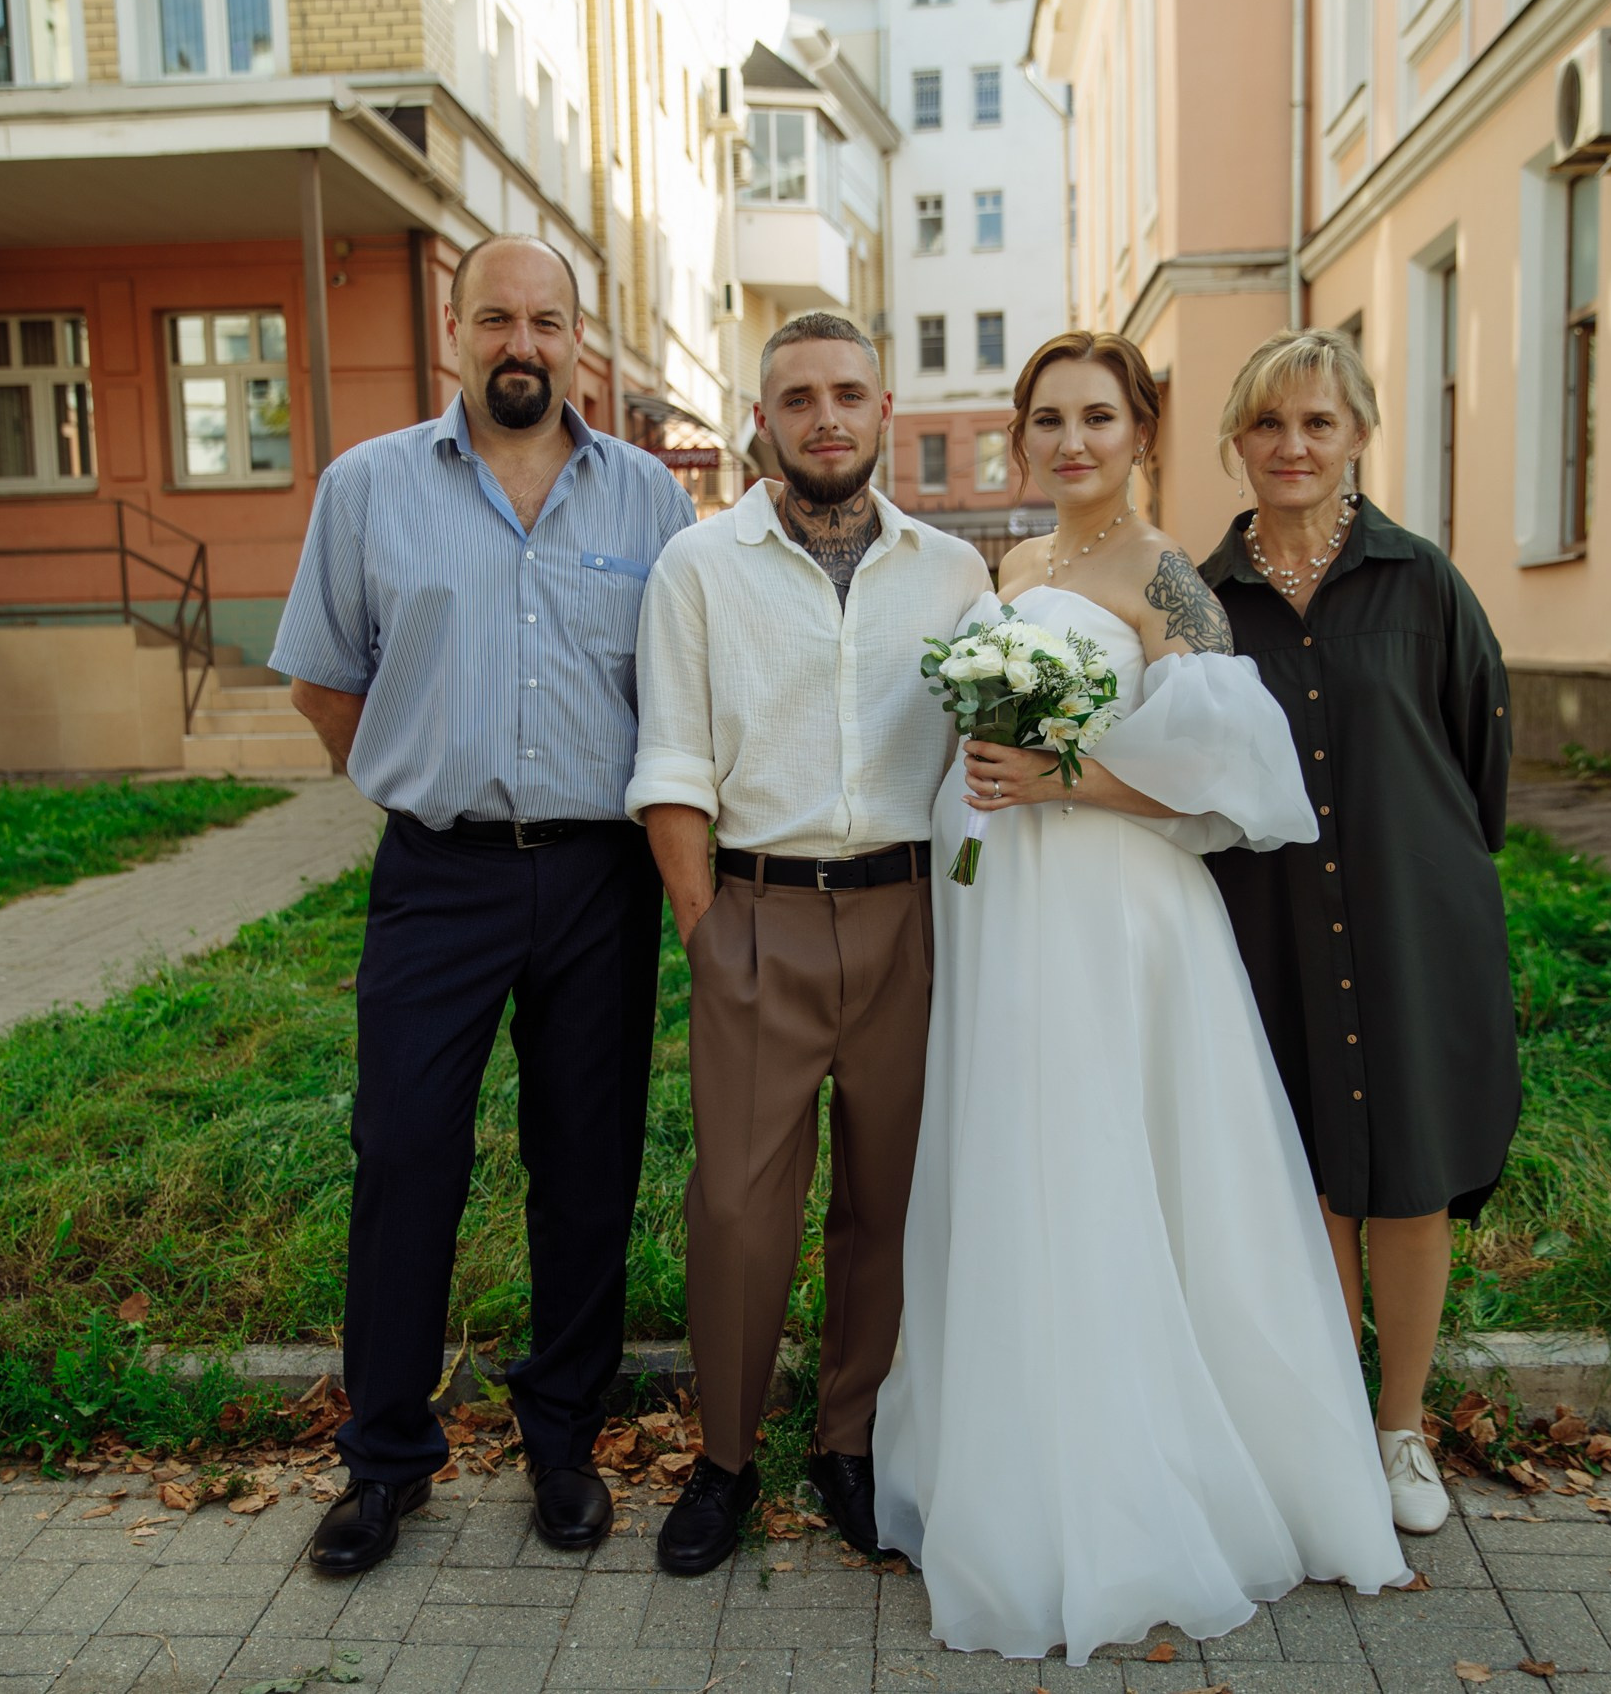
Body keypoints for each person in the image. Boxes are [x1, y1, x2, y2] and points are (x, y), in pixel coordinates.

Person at [872, 331, 1412, 1663]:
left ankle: (1146, 1474)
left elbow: (1239, 781)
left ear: (1142, 430)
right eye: (1047, 418)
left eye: (1097, 417)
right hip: (1005, 916)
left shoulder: (1167, 575)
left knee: (1114, 1155)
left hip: (1111, 911)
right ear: (1020, 434)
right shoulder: (1013, 567)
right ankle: (1019, 1445)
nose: (1071, 441)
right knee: (1023, 1158)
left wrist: (1066, 782)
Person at [270, 233, 696, 1574]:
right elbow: (325, 682)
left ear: (581, 341)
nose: (523, 342)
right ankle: (386, 1456)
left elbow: (684, 698)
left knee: (587, 1164)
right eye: (497, 318)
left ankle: (563, 1437)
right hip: (437, 873)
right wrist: (427, 779)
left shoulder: (651, 505)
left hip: (599, 875)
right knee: (404, 1157)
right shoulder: (369, 486)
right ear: (454, 331)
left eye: (547, 321)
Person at [626, 313, 990, 1577]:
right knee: (735, 1204)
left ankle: (850, 1442)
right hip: (756, 914)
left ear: (885, 407)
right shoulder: (698, 567)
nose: (824, 415)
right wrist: (705, 931)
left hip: (908, 919)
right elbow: (670, 760)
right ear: (763, 419)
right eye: (797, 397)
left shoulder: (953, 574)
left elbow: (973, 758)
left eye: (846, 392)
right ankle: (726, 1459)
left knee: (885, 1197)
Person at [1198, 329, 1520, 1535]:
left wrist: (1425, 872)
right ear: (1236, 440)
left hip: (1408, 921)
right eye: (1269, 424)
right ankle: (1329, 1427)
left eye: (1317, 423)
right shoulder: (1199, 594)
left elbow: (1479, 754)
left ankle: (1400, 1431)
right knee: (1313, 1184)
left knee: (1410, 1183)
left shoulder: (1421, 580)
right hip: (1267, 924)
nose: (1292, 447)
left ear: (1357, 436)